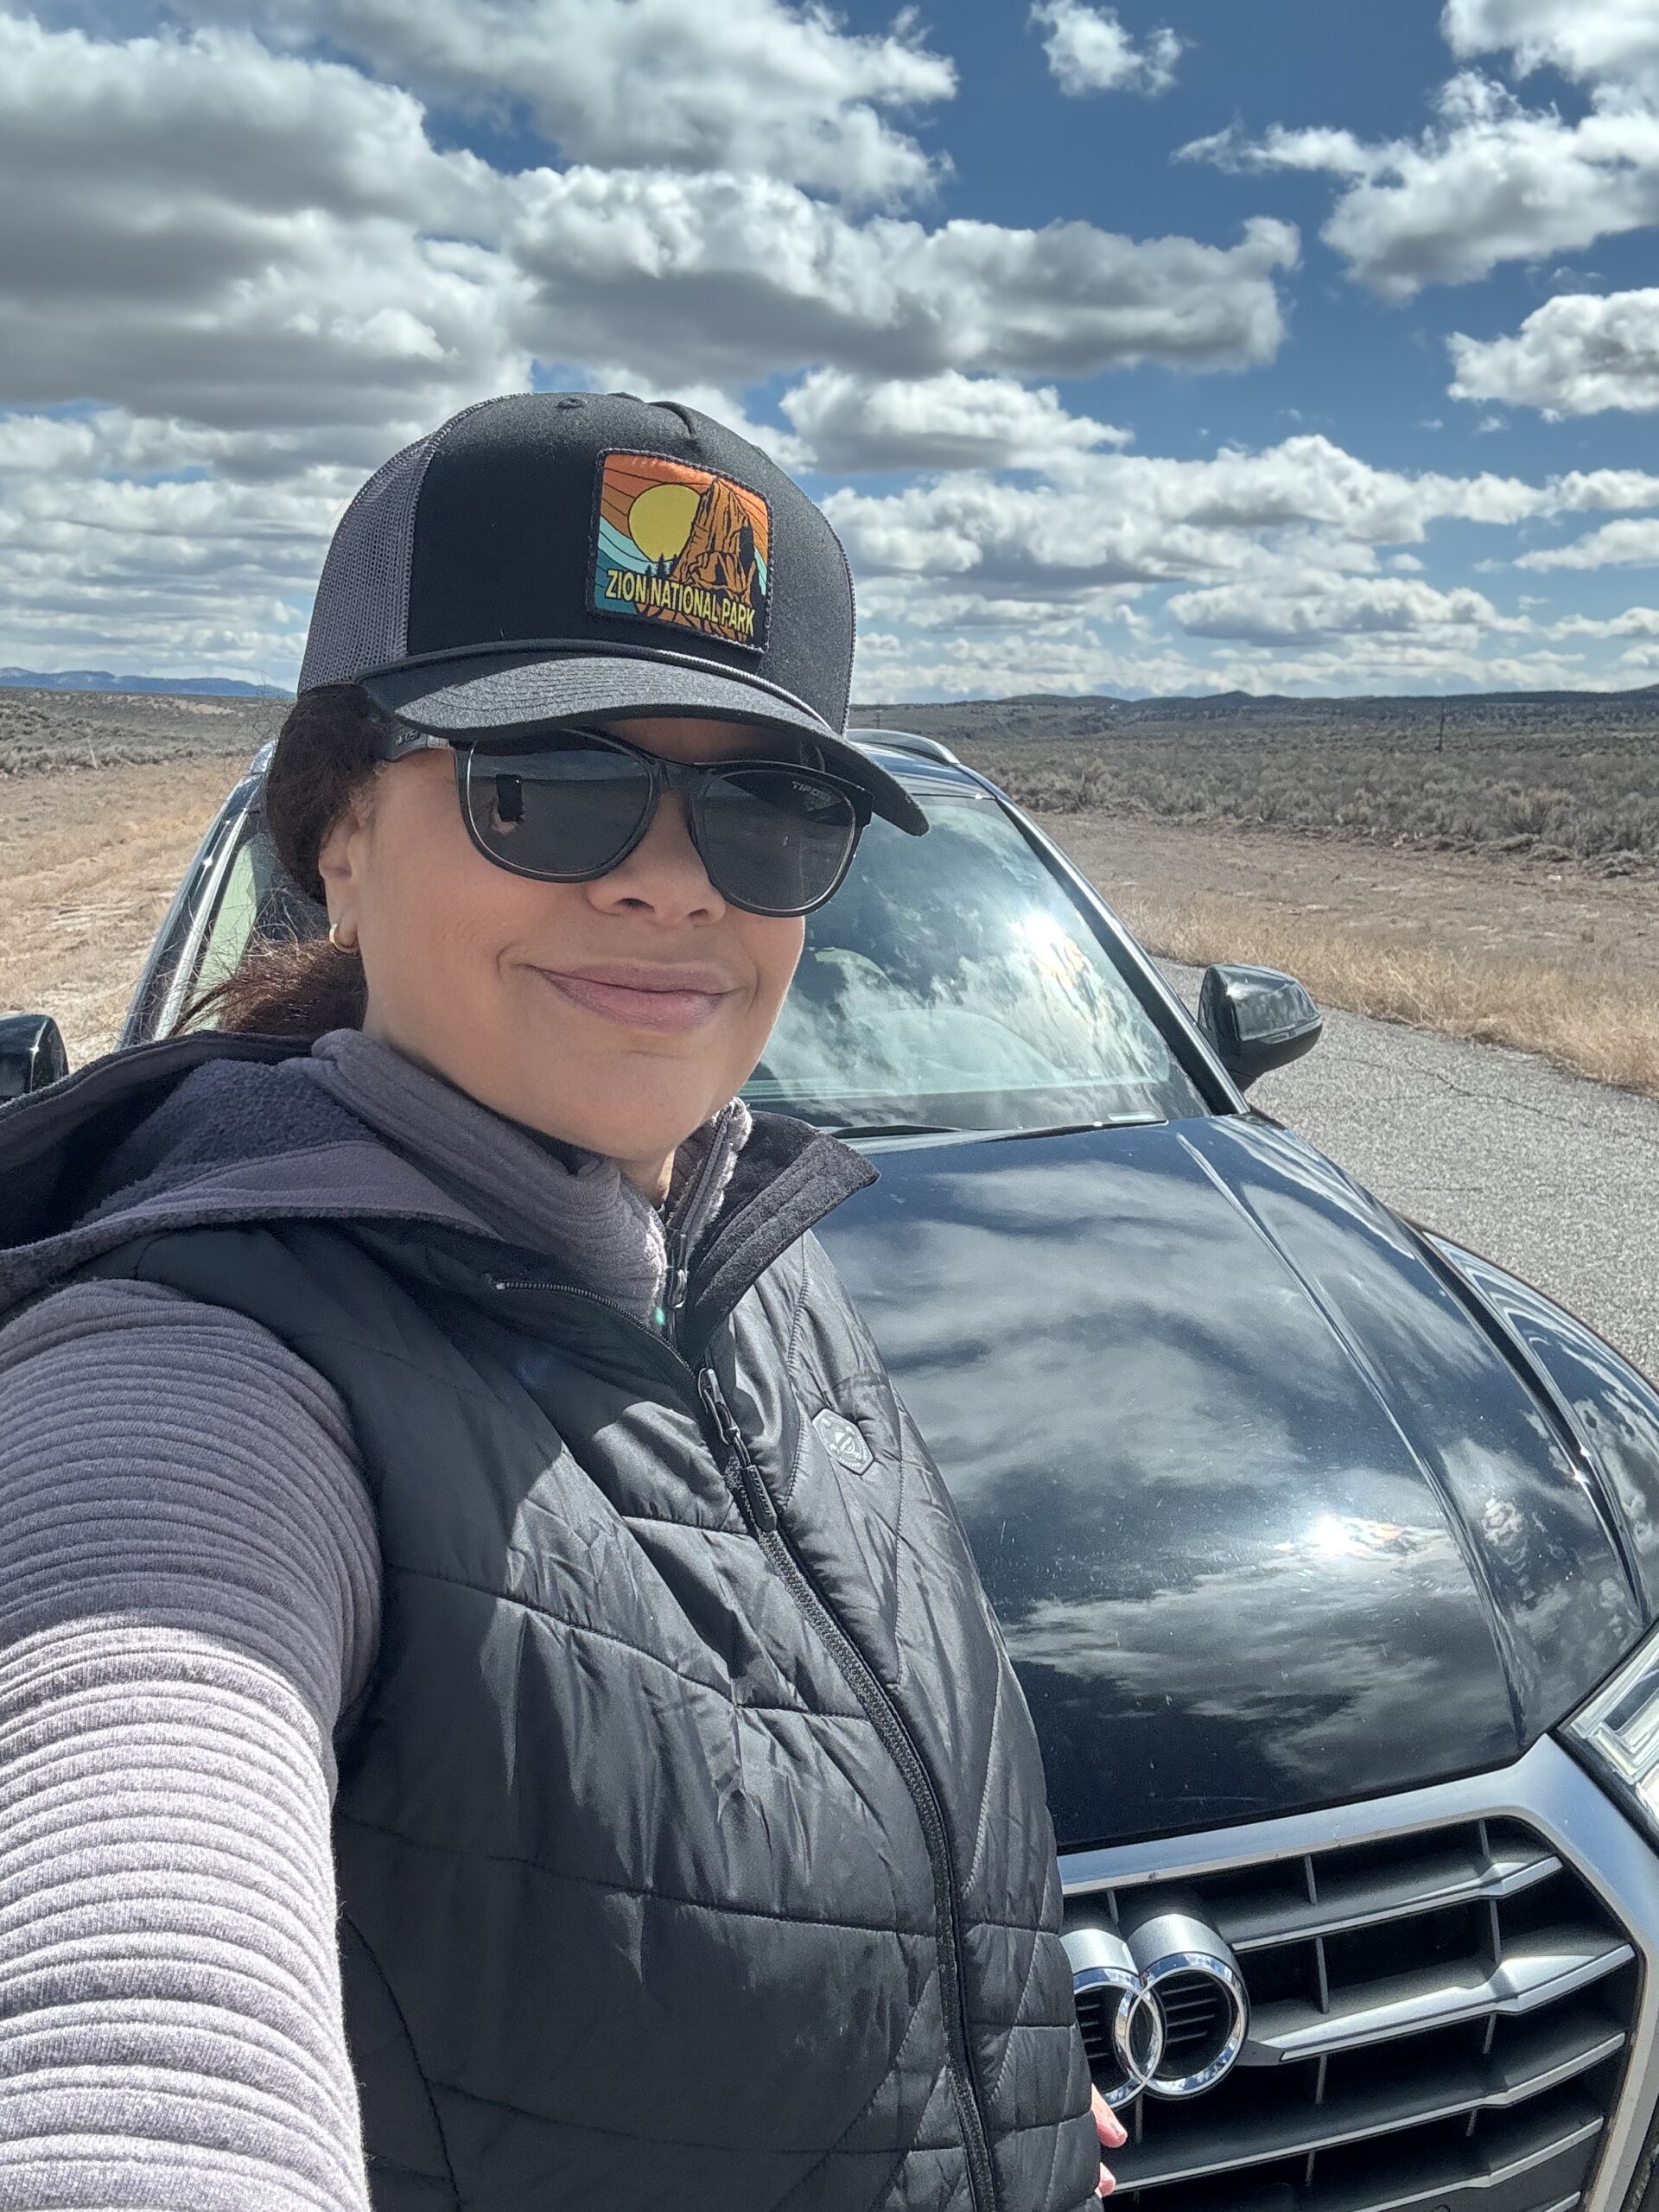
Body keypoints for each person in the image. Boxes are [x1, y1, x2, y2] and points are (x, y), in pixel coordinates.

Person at [0, 393, 1124, 2209]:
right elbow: (125, 1995)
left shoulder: (748, 1256)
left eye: (769, 807)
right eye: (548, 780)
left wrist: (963, 2069)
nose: (666, 875)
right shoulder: (194, 1365)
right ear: (334, 833)